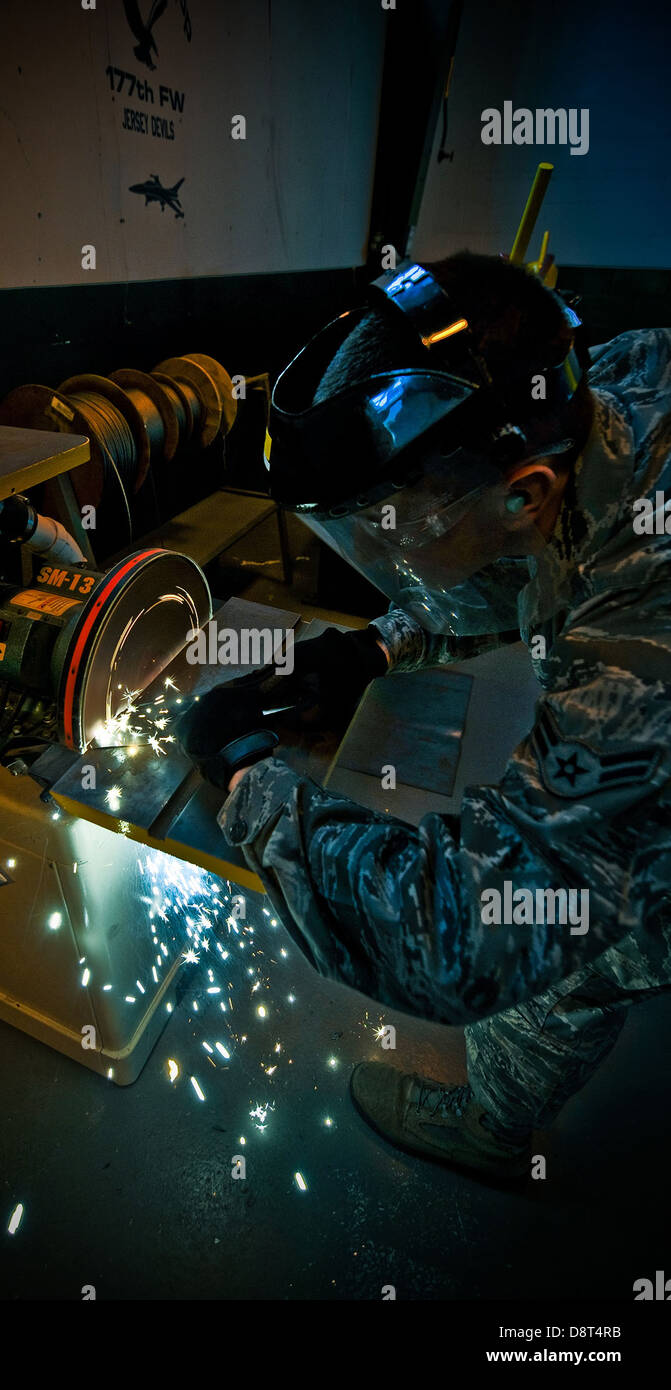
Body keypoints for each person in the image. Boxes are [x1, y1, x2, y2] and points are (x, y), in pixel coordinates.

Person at [176, 252, 671, 1180]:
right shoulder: (604, 387)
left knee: (580, 938)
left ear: (522, 488)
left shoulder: (638, 637)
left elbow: (467, 933)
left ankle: (489, 1132)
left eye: (383, 527)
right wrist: (376, 646)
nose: (367, 551)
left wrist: (249, 775)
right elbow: (526, 557)